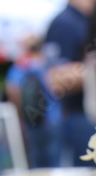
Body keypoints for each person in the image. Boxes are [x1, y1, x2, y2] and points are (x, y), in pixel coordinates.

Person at [44, 0, 96, 166]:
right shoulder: (64, 23)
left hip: (94, 117)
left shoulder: (89, 19)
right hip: (81, 118)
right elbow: (56, 79)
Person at [17, 40, 63, 168]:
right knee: (55, 161)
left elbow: (13, 90)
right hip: (53, 118)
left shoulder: (22, 67)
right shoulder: (50, 65)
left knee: (37, 162)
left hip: (32, 119)